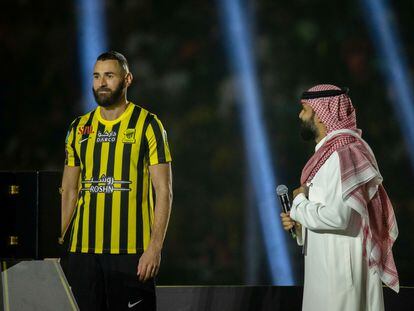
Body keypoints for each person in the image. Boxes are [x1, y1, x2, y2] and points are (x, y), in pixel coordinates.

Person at [60, 51, 173, 310]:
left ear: (127, 79)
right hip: (83, 254)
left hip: (131, 253)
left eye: (109, 76)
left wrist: (154, 248)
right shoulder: (78, 127)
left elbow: (164, 191)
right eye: (97, 76)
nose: (101, 83)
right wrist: (56, 245)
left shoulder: (148, 124)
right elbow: (68, 191)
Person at [280, 84, 399, 311]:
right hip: (328, 271)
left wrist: (298, 203)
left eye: (304, 109)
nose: (299, 115)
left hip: (341, 275)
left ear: (323, 115)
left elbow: (338, 217)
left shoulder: (342, 154)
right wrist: (299, 225)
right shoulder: (331, 154)